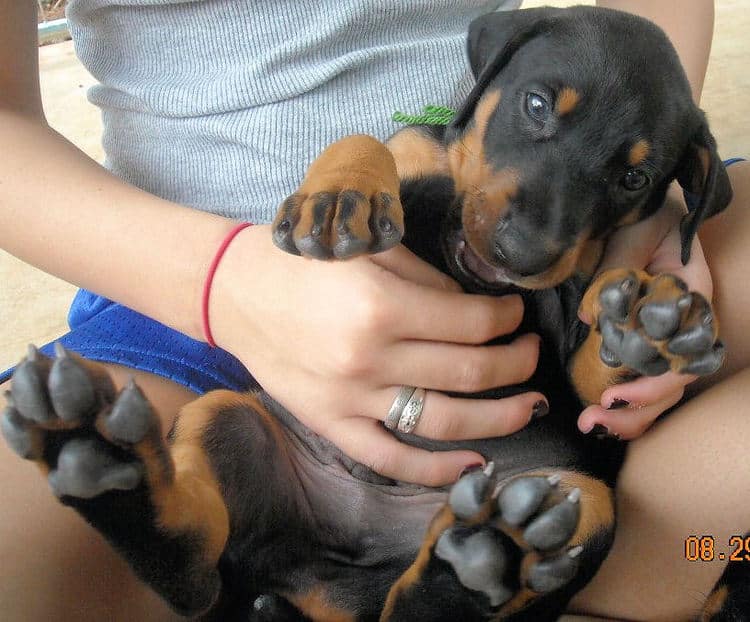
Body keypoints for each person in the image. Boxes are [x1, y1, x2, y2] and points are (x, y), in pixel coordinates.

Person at [0, 0, 746, 619]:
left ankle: (577, 567)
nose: (525, 236)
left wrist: (648, 205)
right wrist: (221, 282)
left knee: (583, 504)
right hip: (180, 281)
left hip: (524, 411)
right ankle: (190, 535)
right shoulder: (398, 159)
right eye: (540, 107)